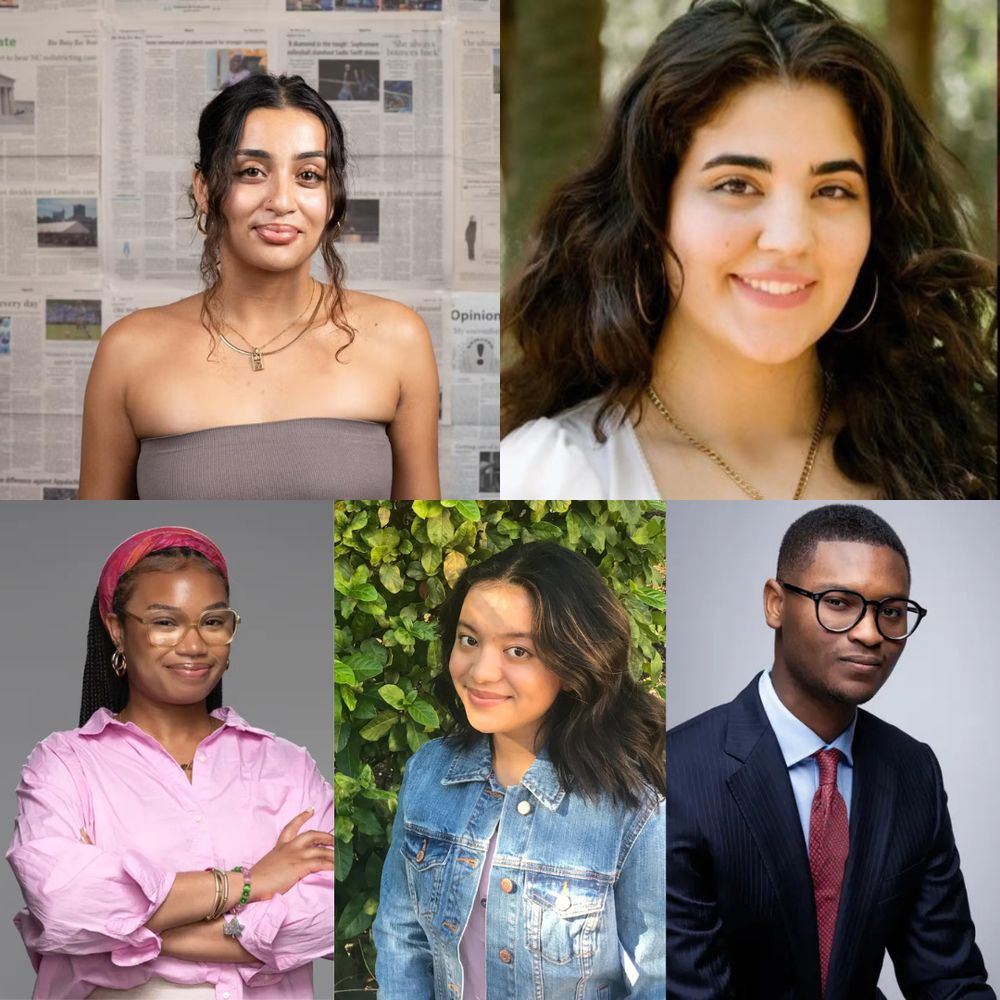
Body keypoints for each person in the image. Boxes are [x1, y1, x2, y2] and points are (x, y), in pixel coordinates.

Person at [500, 0, 996, 501]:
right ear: (652, 211)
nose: (789, 238)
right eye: (737, 184)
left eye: (833, 190)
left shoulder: (957, 463)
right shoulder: (552, 476)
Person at [666, 505, 994, 998]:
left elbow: (948, 978)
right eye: (839, 602)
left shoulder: (912, 770)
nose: (869, 633)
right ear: (775, 604)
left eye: (892, 612)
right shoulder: (678, 769)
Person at [6, 527, 336, 998]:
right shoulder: (64, 764)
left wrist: (125, 931)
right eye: (165, 622)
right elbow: (61, 904)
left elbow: (325, 918)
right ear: (117, 627)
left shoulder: (288, 767)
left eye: (214, 622)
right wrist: (251, 883)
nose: (195, 645)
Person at [79, 74, 440, 500]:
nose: (282, 200)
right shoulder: (129, 350)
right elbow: (104, 532)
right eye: (252, 171)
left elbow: (423, 524)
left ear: (331, 195)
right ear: (205, 188)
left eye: (308, 175)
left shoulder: (399, 338)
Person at [373, 541, 666, 999]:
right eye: (469, 640)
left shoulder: (631, 810)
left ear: (574, 663)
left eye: (518, 651)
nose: (482, 672)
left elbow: (660, 978)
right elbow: (401, 941)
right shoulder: (429, 774)